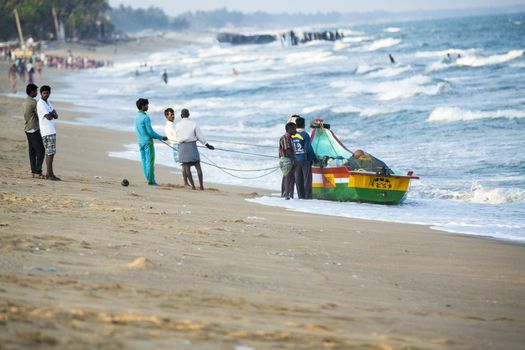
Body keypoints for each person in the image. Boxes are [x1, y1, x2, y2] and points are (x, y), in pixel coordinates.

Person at [174, 108, 214, 190]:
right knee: (197, 165)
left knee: (187, 167)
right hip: (192, 146)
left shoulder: (177, 125)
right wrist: (207, 145)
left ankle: (193, 186)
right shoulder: (194, 124)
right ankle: (201, 186)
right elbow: (200, 137)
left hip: (182, 147)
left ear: (181, 116)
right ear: (188, 115)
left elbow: (176, 137)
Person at [134, 98, 168, 186]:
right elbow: (151, 132)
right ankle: (151, 181)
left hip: (140, 142)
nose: (147, 106)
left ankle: (148, 178)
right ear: (142, 106)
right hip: (147, 142)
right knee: (150, 161)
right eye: (146, 105)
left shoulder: (137, 117)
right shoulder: (146, 118)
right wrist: (161, 137)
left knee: (144, 161)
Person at [36, 85, 60, 180]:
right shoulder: (41, 103)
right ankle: (49, 174)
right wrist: (52, 114)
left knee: (51, 153)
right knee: (50, 153)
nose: (46, 94)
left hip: (51, 130)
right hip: (47, 131)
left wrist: (51, 114)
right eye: (44, 93)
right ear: (41, 93)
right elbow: (50, 117)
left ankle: (50, 173)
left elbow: (56, 115)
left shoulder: (48, 102)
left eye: (47, 93)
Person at [292, 116, 317, 199]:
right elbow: (308, 148)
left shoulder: (292, 135)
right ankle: (308, 198)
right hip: (305, 160)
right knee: (307, 180)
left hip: (295, 160)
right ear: (303, 125)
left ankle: (300, 198)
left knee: (298, 180)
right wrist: (315, 159)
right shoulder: (305, 135)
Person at [23, 83, 45, 178]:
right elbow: (39, 114)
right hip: (33, 128)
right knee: (41, 150)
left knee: (32, 151)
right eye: (36, 91)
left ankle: (33, 171)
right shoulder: (34, 102)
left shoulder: (25, 101)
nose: (36, 93)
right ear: (32, 92)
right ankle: (38, 171)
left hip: (27, 128)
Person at [279, 122, 297, 200]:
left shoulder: (290, 137)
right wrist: (294, 159)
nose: (296, 130)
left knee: (292, 177)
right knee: (288, 176)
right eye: (294, 129)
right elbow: (287, 150)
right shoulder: (285, 137)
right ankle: (286, 195)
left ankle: (291, 195)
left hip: (289, 159)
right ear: (289, 129)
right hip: (286, 159)